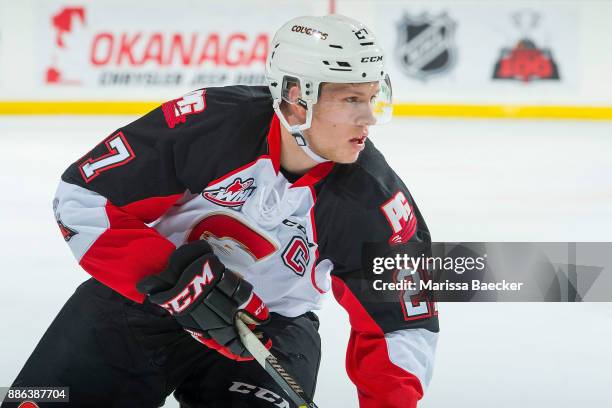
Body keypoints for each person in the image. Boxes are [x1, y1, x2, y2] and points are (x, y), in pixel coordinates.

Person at [2, 14, 438, 408]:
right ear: (294, 96)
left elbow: (402, 327)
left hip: (266, 333)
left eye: (371, 97)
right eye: (349, 100)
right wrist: (173, 276)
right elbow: (82, 198)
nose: (369, 118)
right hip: (143, 302)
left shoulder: (376, 203)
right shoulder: (210, 125)